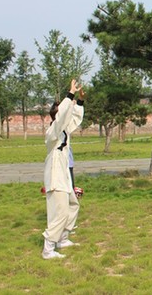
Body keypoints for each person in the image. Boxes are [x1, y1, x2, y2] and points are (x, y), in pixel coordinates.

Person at [42, 79, 85, 260]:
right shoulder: (53, 131)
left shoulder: (64, 131)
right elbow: (61, 118)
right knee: (59, 212)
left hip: (64, 176)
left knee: (73, 205)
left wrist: (80, 101)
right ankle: (48, 249)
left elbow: (73, 118)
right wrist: (70, 94)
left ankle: (63, 239)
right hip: (55, 177)